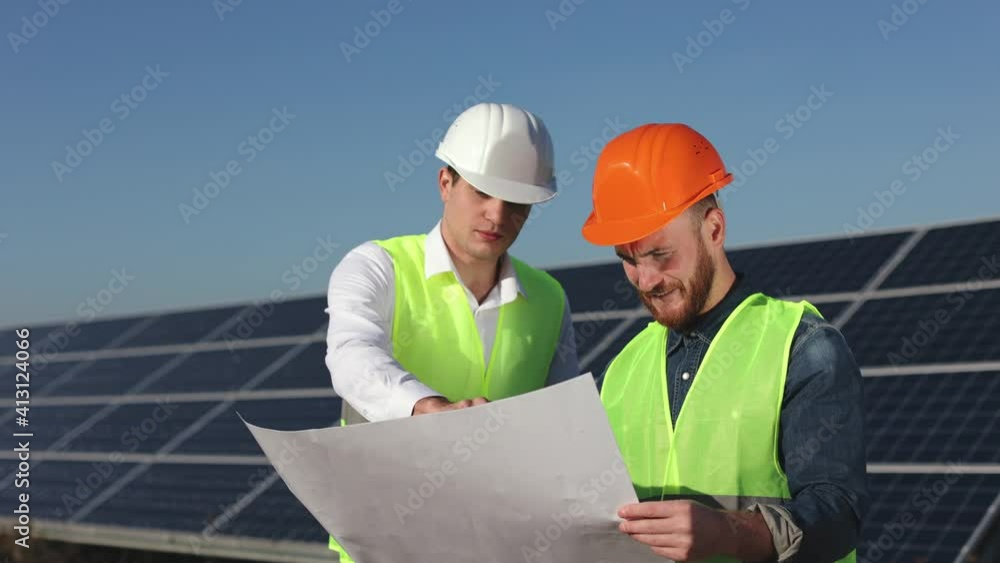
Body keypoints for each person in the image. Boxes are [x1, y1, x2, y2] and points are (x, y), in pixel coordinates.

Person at [582, 123, 868, 562]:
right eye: (628, 260)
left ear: (714, 230)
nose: (646, 280)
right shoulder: (621, 371)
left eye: (660, 254)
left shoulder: (803, 348)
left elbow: (838, 512)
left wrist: (733, 533)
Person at [323, 102, 579, 561]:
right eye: (482, 192)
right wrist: (426, 410)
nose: (497, 216)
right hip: (383, 547)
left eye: (517, 202)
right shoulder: (377, 267)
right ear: (446, 183)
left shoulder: (550, 298)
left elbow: (562, 427)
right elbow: (351, 356)